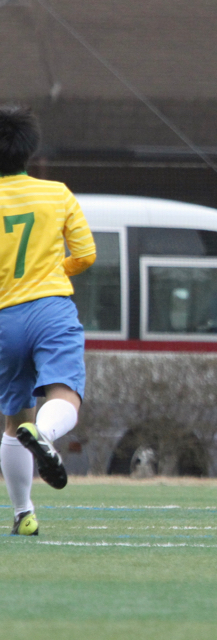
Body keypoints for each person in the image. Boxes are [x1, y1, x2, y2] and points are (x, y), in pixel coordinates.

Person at [0, 105, 96, 535]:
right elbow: (87, 254)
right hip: (51, 306)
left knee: (12, 418)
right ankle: (46, 433)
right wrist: (56, 270)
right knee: (65, 394)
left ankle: (23, 513)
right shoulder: (57, 193)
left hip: (4, 315)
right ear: (28, 149)